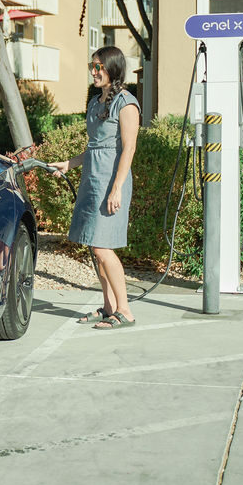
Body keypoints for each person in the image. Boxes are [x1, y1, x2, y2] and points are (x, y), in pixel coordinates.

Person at [50, 45, 141, 330]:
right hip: (92, 178)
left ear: (112, 69)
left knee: (103, 248)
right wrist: (70, 163)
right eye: (92, 66)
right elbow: (95, 148)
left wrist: (117, 188)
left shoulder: (125, 103)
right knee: (94, 246)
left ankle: (125, 310)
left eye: (98, 66)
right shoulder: (95, 102)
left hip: (111, 182)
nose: (94, 71)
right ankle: (108, 306)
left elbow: (128, 149)